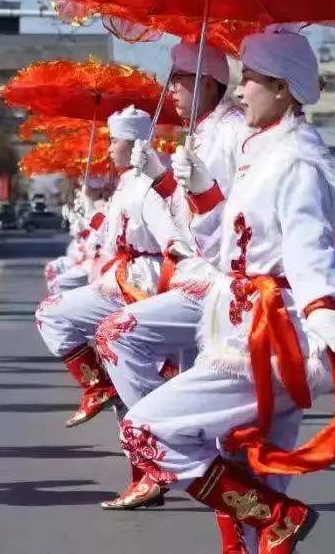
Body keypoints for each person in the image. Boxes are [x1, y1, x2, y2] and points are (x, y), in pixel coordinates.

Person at [117, 26, 335, 553]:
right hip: (241, 326)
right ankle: (270, 523)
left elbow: (307, 243)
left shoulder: (296, 161)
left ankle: (279, 517)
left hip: (269, 336)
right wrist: (197, 189)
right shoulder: (262, 151)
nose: (239, 91)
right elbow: (224, 247)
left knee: (144, 429)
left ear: (283, 88)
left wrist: (321, 302)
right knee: (248, 463)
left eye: (251, 80)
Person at [91, 43, 249, 516]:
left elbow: (227, 220)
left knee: (116, 334)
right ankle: (161, 442)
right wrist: (162, 180)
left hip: (225, 287)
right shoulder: (201, 134)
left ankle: (161, 439)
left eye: (180, 78)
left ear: (209, 83)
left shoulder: (230, 133)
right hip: (198, 278)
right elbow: (188, 217)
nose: (171, 89)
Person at [35, 107, 182, 429]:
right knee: (75, 327)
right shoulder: (129, 182)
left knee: (56, 314)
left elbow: (171, 240)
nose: (109, 148)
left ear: (132, 143)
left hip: (141, 279)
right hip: (122, 271)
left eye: (115, 141)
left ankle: (131, 408)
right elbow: (114, 231)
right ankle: (107, 391)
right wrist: (91, 213)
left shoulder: (147, 184)